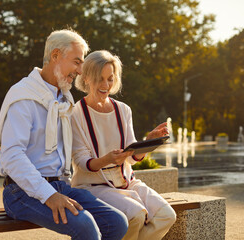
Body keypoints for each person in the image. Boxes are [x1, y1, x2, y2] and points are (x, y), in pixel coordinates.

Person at [0, 30, 128, 240]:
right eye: (76, 62)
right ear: (55, 55)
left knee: (117, 222)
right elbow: (11, 156)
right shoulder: (23, 96)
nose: (81, 71)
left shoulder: (64, 98)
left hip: (59, 185)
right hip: (20, 192)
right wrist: (49, 195)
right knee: (85, 225)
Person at [71, 50, 176, 240]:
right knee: (135, 215)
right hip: (93, 186)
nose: (106, 85)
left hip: (127, 182)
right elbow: (81, 161)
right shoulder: (75, 113)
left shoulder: (123, 110)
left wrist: (147, 143)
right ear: (86, 78)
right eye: (99, 79)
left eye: (110, 79)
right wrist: (107, 159)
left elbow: (132, 157)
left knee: (167, 216)